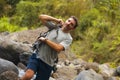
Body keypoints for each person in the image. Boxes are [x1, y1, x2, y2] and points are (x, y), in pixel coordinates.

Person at [20, 14, 78, 80]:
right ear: (66, 20)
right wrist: (56, 20)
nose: (68, 23)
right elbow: (41, 17)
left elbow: (58, 48)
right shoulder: (55, 27)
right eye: (68, 21)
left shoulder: (68, 38)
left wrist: (46, 41)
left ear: (73, 28)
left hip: (48, 63)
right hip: (37, 55)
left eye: (71, 24)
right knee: (28, 75)